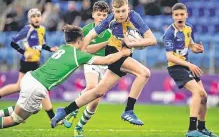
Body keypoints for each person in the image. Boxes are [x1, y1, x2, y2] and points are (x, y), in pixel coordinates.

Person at [51, 0, 157, 128]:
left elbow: (152, 40)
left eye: (123, 11)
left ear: (128, 8)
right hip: (114, 52)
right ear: (113, 11)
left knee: (98, 92)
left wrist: (134, 42)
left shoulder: (134, 17)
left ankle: (64, 111)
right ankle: (129, 110)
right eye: (117, 12)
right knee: (144, 73)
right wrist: (81, 52)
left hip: (123, 53)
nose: (120, 15)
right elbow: (90, 35)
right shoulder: (110, 19)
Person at [0, 24, 131, 129]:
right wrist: (123, 52)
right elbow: (107, 60)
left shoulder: (63, 47)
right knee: (14, 120)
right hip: (36, 87)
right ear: (80, 40)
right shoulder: (78, 54)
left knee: (36, 107)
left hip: (30, 78)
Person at [163, 3, 217, 137]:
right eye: (176, 15)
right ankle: (191, 130)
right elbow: (170, 56)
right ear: (173, 16)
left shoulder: (189, 28)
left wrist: (196, 49)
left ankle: (202, 128)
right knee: (198, 92)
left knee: (204, 96)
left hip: (186, 65)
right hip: (176, 67)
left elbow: (190, 45)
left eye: (182, 14)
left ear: (186, 15)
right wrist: (189, 65)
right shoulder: (169, 33)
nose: (179, 17)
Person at [63, 1, 111, 137]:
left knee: (95, 101)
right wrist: (105, 44)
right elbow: (84, 50)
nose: (102, 17)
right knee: (91, 87)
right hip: (91, 63)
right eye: (99, 14)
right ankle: (72, 111)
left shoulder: (111, 31)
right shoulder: (86, 30)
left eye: (104, 15)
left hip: (107, 66)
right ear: (93, 15)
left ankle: (79, 127)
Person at [0, 8, 58, 120]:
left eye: (38, 16)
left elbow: (42, 45)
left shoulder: (42, 29)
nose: (36, 18)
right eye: (33, 16)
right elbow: (13, 43)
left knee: (26, 87)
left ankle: (52, 117)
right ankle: (52, 117)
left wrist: (51, 49)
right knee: (37, 87)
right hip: (27, 62)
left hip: (36, 62)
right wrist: (24, 52)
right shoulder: (27, 29)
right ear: (29, 19)